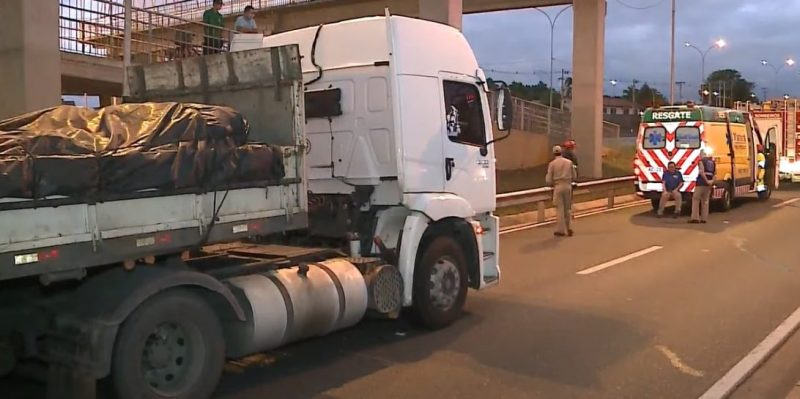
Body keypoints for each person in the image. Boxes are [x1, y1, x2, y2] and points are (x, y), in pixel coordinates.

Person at [546, 145, 577, 237]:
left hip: (558, 186)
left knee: (560, 209)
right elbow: (574, 175)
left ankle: (561, 230)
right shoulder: (569, 162)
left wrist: (551, 183)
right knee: (568, 208)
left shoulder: (552, 164)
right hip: (568, 186)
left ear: (553, 153)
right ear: (561, 152)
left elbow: (549, 179)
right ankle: (569, 228)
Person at [690, 150, 715, 224]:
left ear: (702, 154)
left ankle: (695, 218)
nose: (699, 156)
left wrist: (706, 180)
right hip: (708, 184)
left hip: (701, 183)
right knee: (705, 201)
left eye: (700, 154)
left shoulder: (701, 161)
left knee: (696, 199)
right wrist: (711, 181)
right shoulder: (712, 162)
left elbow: (701, 172)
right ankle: (704, 218)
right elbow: (715, 174)